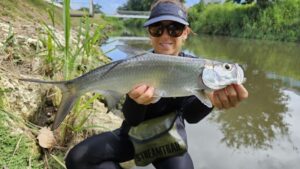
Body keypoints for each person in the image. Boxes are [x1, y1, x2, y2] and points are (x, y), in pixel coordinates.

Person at [65, 0, 248, 169]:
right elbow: (133, 119)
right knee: (77, 158)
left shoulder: (194, 68)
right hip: (131, 136)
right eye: (157, 28)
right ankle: (72, 89)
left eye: (174, 28)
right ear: (149, 33)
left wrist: (210, 101)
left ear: (185, 32)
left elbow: (191, 116)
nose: (165, 36)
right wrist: (137, 101)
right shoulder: (137, 65)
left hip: (170, 138)